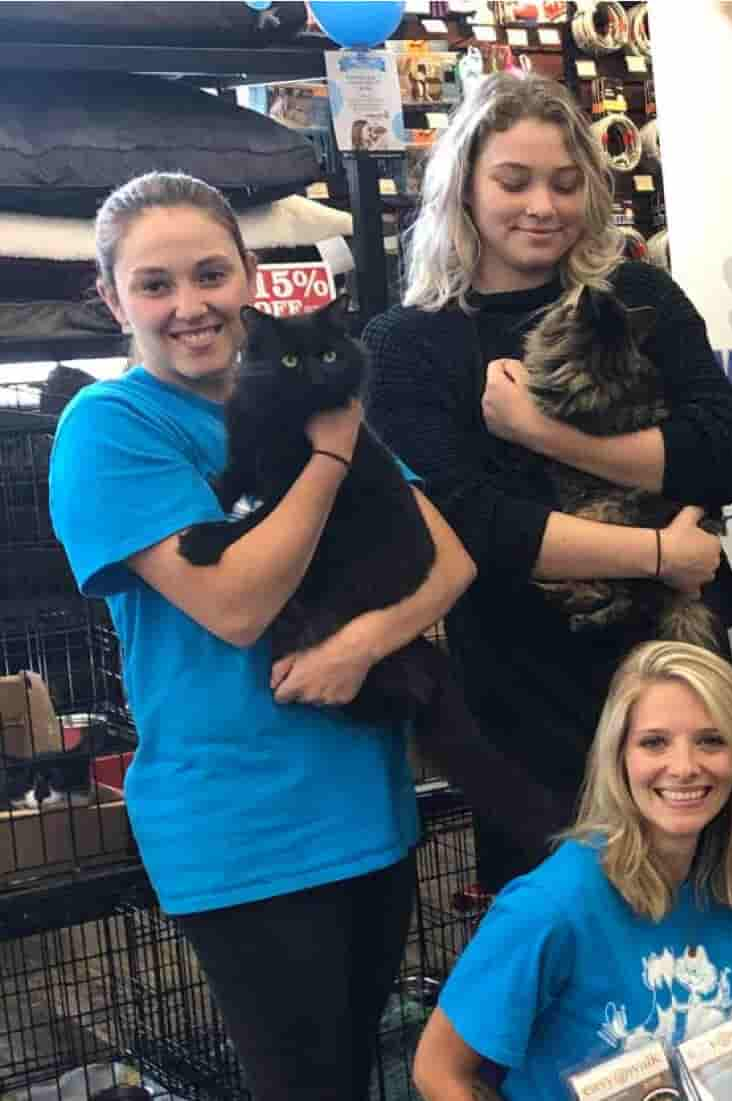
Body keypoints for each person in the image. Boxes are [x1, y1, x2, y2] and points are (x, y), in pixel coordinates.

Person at [49, 171, 472, 1100]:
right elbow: (236, 604)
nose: (190, 306)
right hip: (243, 830)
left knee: (353, 1072)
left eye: (209, 274)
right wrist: (329, 450)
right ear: (112, 297)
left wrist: (358, 645)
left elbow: (451, 562)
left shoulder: (298, 384)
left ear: (248, 275)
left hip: (368, 806)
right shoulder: (111, 427)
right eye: (155, 285)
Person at [362, 73, 732, 893]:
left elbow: (721, 454)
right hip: (518, 690)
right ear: (464, 188)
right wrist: (657, 552)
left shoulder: (637, 293)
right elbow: (474, 526)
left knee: (698, 910)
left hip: (671, 669)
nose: (543, 205)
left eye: (565, 182)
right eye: (514, 181)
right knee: (557, 929)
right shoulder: (409, 343)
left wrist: (541, 430)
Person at [411, 641, 732, 1101]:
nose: (684, 767)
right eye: (654, 742)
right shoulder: (548, 906)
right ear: (619, 758)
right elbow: (437, 1071)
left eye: (711, 740)